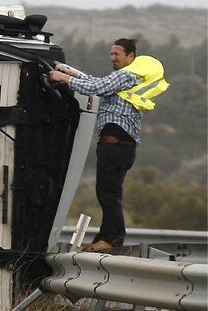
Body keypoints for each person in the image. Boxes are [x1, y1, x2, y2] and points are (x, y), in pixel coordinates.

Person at [49, 38, 168, 252]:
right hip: (119, 145)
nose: (112, 58)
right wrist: (72, 73)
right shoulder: (126, 78)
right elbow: (99, 82)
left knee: (108, 194)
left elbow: (95, 87)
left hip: (115, 143)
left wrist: (63, 78)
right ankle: (104, 237)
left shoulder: (127, 75)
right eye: (111, 54)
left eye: (117, 54)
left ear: (131, 56)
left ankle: (112, 239)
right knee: (107, 191)